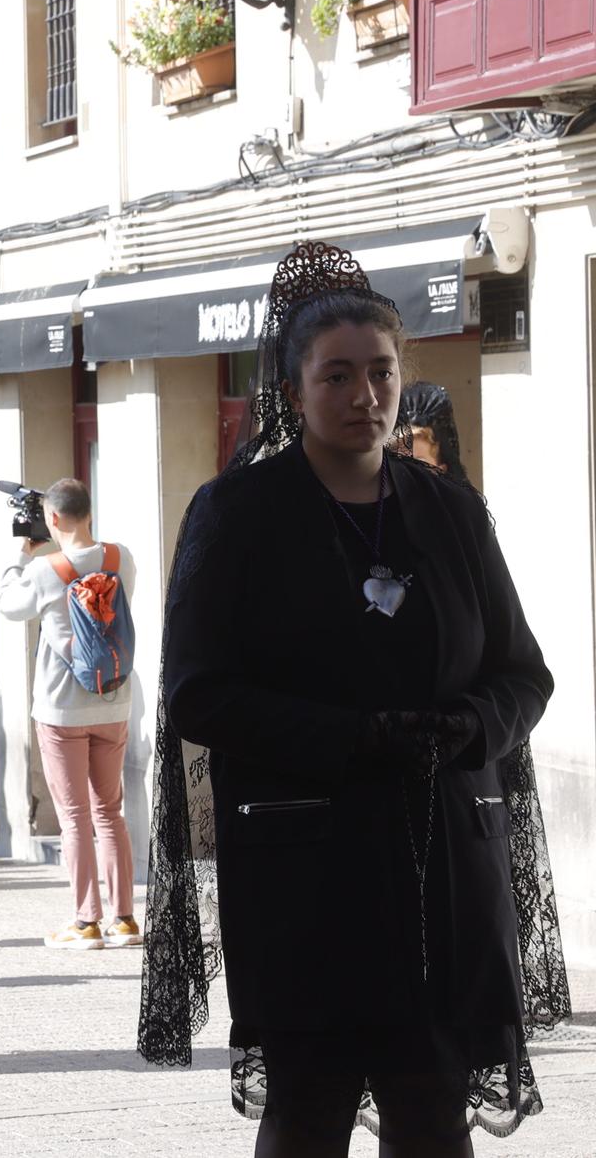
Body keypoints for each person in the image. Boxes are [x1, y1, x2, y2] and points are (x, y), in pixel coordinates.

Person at [138, 241, 571, 1155]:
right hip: (306, 879)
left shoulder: (449, 511)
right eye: (337, 376)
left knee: (432, 1114)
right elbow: (198, 695)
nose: (364, 395)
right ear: (294, 392)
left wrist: (468, 726)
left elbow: (523, 674)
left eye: (380, 372)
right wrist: (354, 736)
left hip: (446, 870)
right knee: (309, 1115)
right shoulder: (238, 516)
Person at [0, 478, 139, 950]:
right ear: (89, 512)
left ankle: (84, 923)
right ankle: (123, 919)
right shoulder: (121, 558)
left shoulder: (44, 569)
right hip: (114, 700)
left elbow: (8, 606)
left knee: (75, 817)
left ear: (51, 519)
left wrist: (21, 554)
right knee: (110, 812)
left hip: (61, 707)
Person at [401, 379, 474, 487]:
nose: (407, 471)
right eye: (399, 460)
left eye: (419, 463)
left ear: (441, 470)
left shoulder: (458, 503)